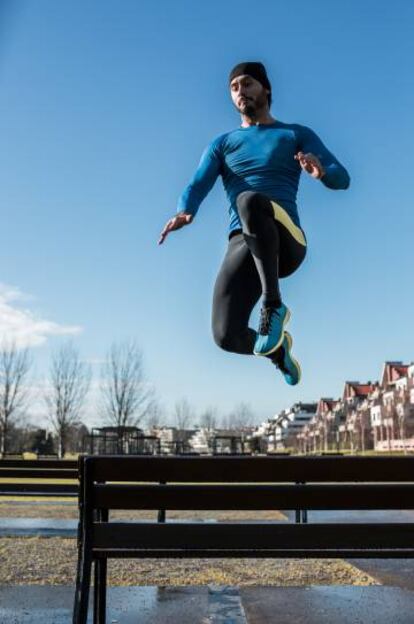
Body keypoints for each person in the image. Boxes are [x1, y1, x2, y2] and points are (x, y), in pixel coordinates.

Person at [158, 62, 350, 385]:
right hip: (242, 243)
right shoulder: (222, 144)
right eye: (234, 88)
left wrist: (322, 172)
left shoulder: (294, 135)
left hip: (287, 241)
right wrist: (185, 210)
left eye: (247, 84)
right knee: (225, 335)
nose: (240, 92)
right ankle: (278, 351)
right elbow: (196, 183)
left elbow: (343, 178)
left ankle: (273, 306)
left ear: (266, 89)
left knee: (249, 200)